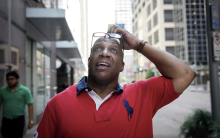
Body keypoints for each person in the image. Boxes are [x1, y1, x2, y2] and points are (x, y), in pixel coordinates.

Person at [34, 25, 195, 138]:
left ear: (122, 66)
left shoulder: (143, 94)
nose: (105, 53)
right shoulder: (57, 104)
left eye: (113, 50)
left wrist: (138, 44)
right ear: (90, 61)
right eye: (98, 48)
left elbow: (185, 75)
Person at [0, 71, 34, 138]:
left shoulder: (25, 90)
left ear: (17, 79)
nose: (10, 81)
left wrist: (31, 121)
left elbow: (30, 105)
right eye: (8, 79)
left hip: (18, 120)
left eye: (12, 79)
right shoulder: (2, 90)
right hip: (6, 120)